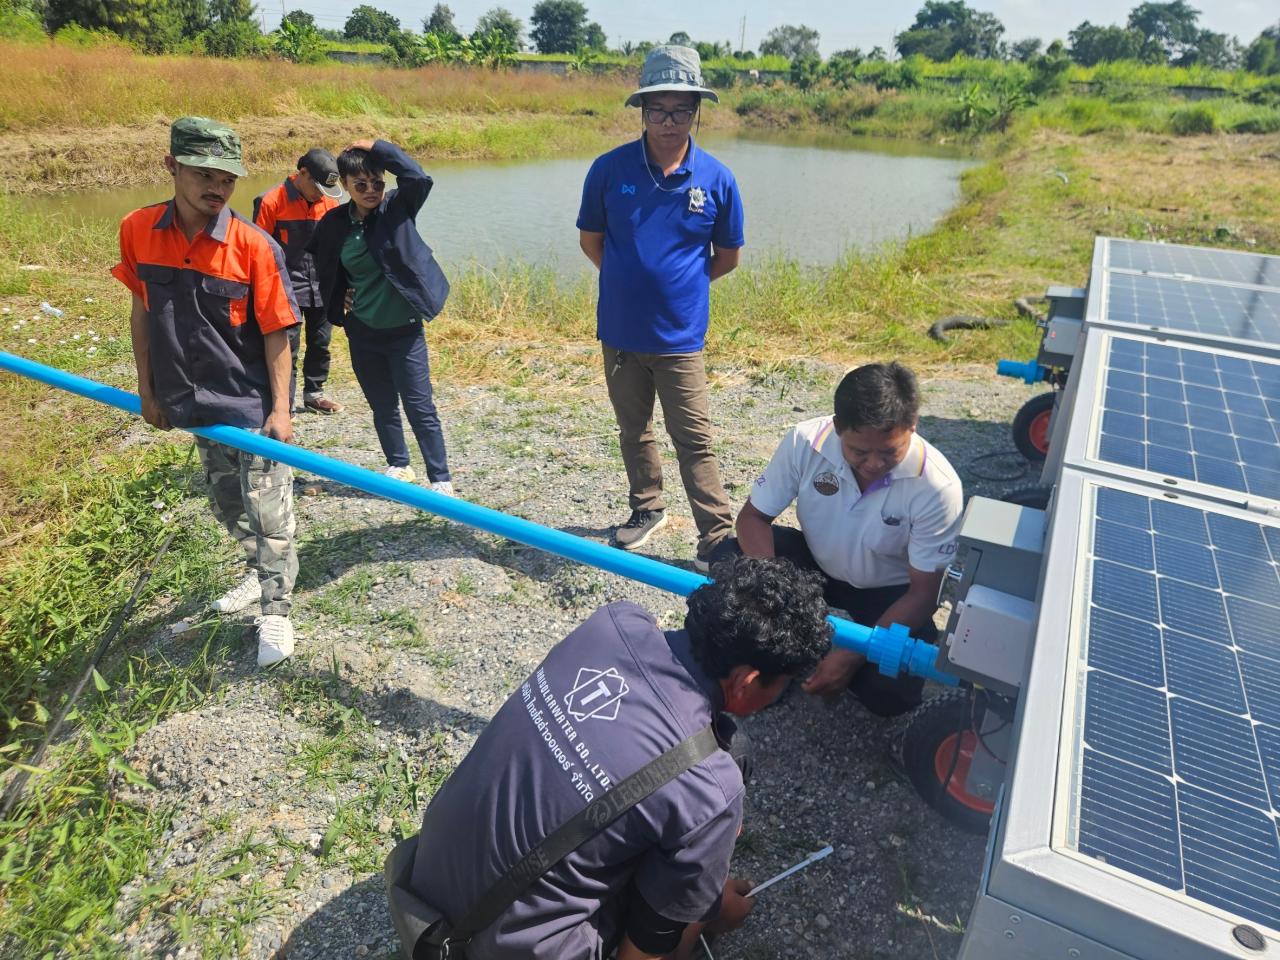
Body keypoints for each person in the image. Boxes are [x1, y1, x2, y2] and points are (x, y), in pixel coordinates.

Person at [405, 556, 832, 959]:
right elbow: (647, 947)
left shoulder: (613, 623)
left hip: (424, 885)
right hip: (500, 948)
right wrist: (712, 912)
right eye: (784, 687)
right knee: (683, 887)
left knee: (721, 758)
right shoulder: (709, 786)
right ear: (747, 680)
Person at [112, 117, 301, 667]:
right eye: (203, 173)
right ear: (171, 167)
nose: (216, 187)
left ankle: (276, 613)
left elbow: (278, 332)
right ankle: (253, 572)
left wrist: (281, 411)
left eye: (227, 178)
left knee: (271, 514)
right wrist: (147, 391)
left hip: (248, 407)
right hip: (191, 405)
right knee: (228, 505)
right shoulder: (138, 229)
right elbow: (143, 310)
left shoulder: (254, 247)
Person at [713, 362, 963, 716]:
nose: (873, 464)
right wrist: (775, 592)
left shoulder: (938, 487)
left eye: (890, 452)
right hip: (816, 565)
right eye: (859, 451)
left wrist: (857, 651)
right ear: (837, 427)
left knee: (890, 694)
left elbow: (924, 594)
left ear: (912, 427)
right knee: (729, 558)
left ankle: (814, 657)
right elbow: (753, 519)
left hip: (889, 591)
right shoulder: (804, 441)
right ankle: (778, 660)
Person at [577, 45, 744, 571]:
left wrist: (679, 287)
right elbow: (592, 241)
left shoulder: (717, 179)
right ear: (642, 110)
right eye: (659, 110)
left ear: (697, 112)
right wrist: (632, 283)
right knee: (634, 429)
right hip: (621, 334)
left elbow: (728, 257)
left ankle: (717, 539)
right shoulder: (609, 170)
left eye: (681, 111)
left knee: (694, 438)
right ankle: (646, 509)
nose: (669, 122)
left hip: (680, 338)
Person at [308, 139, 454, 494]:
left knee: (420, 406)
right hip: (362, 330)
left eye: (377, 182)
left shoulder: (396, 210)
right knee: (382, 403)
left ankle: (440, 479)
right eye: (361, 185)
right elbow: (320, 261)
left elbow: (417, 178)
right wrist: (337, 292)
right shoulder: (333, 223)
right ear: (344, 185)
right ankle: (399, 465)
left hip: (404, 330)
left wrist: (378, 147)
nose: (371, 190)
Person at [253, 147, 345, 415]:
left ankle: (314, 394)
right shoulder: (270, 201)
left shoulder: (329, 203)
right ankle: (283, 403)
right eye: (317, 188)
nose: (320, 195)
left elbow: (336, 246)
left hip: (321, 285)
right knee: (286, 347)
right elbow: (259, 250)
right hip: (285, 288)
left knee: (320, 342)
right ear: (302, 173)